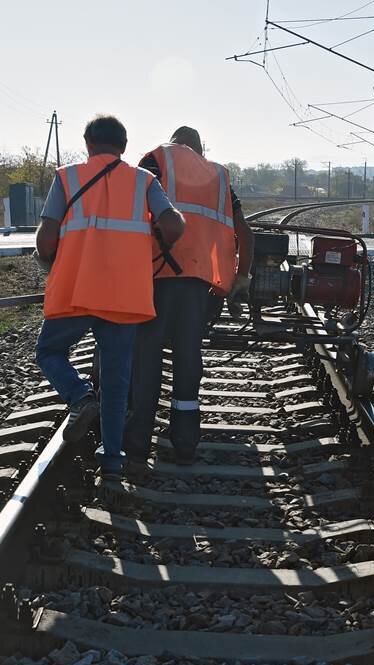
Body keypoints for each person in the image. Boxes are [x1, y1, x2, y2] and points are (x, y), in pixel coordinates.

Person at [34, 115, 184, 478]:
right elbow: (174, 224)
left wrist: (51, 261)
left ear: (87, 143)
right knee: (117, 380)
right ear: (124, 146)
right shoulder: (143, 181)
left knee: (50, 352)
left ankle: (80, 397)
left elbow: (45, 238)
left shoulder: (67, 177)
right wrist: (158, 237)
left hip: (76, 290)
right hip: (125, 295)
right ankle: (113, 460)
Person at [123, 126, 254, 467]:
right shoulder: (218, 177)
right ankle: (184, 443)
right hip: (198, 285)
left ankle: (137, 446)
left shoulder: (155, 161)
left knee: (146, 359)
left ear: (175, 143)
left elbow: (130, 213)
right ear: (199, 149)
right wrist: (241, 278)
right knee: (187, 358)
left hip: (153, 279)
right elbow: (246, 234)